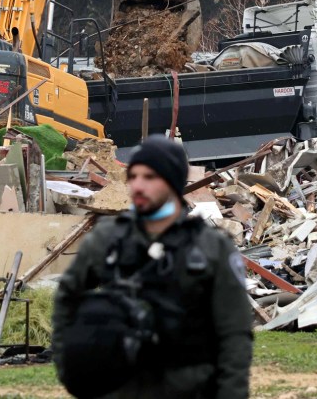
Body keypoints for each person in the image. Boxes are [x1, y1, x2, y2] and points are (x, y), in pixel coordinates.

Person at [52, 135, 253, 399]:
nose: (137, 185)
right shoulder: (108, 238)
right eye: (133, 176)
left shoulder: (210, 247)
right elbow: (68, 296)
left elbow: (235, 330)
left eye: (149, 177)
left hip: (189, 387)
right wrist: (70, 363)